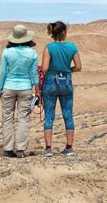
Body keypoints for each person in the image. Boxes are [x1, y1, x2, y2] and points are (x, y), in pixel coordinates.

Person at [0, 24, 40, 158]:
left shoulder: (6, 52)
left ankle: (8, 149)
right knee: (23, 119)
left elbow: (3, 72)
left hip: (9, 87)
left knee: (7, 118)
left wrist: (0, 89)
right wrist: (37, 89)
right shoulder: (32, 53)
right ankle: (21, 149)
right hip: (25, 88)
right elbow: (34, 73)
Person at [42, 21, 82, 157]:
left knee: (49, 115)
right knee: (67, 115)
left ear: (53, 33)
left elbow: (45, 68)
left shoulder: (49, 48)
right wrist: (67, 70)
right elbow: (78, 67)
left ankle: (48, 149)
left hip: (50, 84)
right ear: (64, 33)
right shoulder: (72, 47)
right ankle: (69, 147)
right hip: (66, 83)